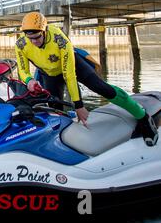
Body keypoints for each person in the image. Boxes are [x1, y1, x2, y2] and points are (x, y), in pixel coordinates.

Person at [15, 12, 158, 146]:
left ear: (45, 31)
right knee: (54, 107)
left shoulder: (60, 40)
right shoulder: (21, 44)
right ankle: (57, 141)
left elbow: (69, 75)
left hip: (73, 66)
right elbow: (22, 70)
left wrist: (79, 105)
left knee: (101, 88)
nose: (34, 42)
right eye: (30, 38)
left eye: (37, 37)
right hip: (49, 74)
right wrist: (29, 81)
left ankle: (142, 116)